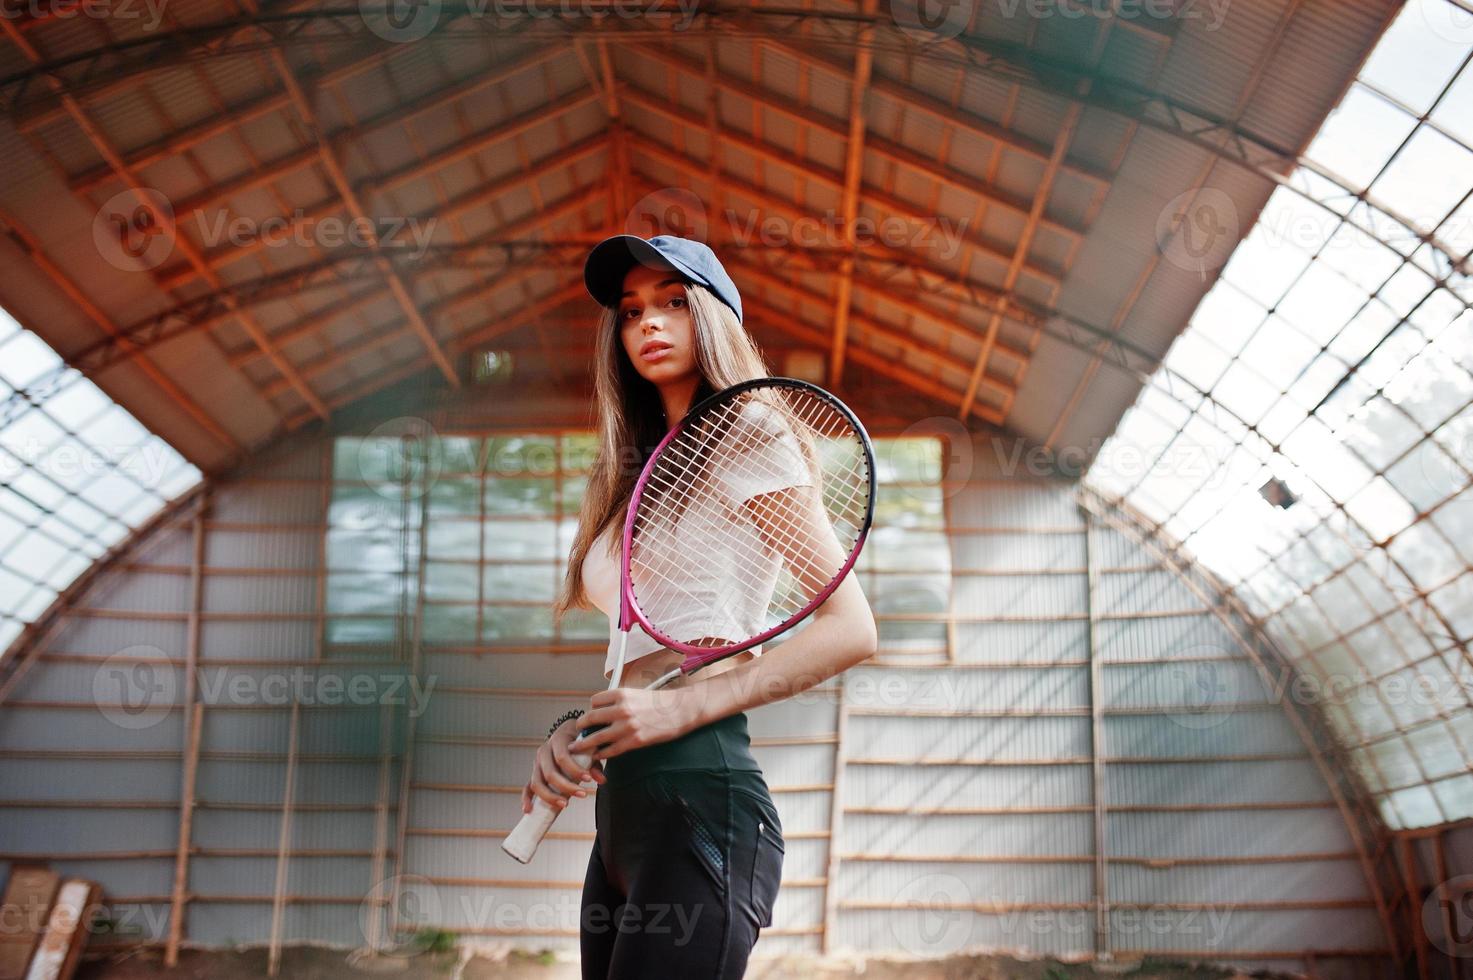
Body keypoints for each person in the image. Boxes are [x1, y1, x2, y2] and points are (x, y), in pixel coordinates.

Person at [518, 233, 877, 978]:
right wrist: (571, 731)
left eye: (674, 304)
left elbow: (851, 630)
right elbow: (658, 656)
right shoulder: (640, 465)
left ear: (713, 318)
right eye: (631, 311)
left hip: (701, 796)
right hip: (623, 808)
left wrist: (677, 712)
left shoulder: (748, 432)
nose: (648, 323)